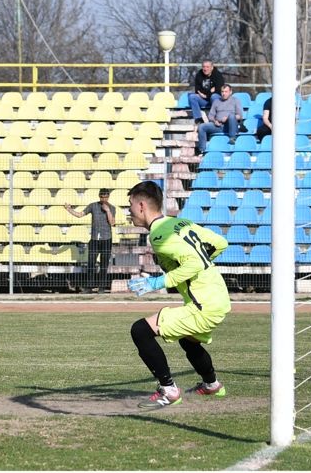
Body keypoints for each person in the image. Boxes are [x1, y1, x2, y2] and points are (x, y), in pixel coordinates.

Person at [125, 181, 231, 410]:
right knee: (188, 340)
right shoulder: (179, 222)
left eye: (130, 205)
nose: (129, 212)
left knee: (140, 330)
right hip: (218, 296)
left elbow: (193, 262)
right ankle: (211, 385)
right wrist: (200, 263)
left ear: (141, 205)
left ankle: (169, 390)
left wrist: (157, 282)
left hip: (203, 305)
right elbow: (220, 243)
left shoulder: (159, 236)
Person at [64, 189, 115, 291]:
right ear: (99, 196)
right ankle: (89, 287)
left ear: (108, 197)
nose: (104, 199)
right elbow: (80, 215)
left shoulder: (112, 208)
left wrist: (108, 211)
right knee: (91, 264)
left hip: (106, 239)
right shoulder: (93, 206)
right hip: (94, 239)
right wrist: (69, 210)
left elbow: (112, 223)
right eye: (102, 197)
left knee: (104, 264)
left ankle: (101, 288)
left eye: (106, 197)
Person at [197, 84, 244, 153]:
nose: (224, 94)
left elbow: (240, 116)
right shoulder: (216, 101)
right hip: (219, 125)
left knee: (231, 116)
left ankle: (232, 138)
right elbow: (210, 116)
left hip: (231, 125)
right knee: (202, 126)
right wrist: (214, 121)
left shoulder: (235, 100)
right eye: (222, 92)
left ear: (230, 92)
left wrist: (228, 118)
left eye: (226, 91)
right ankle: (202, 150)